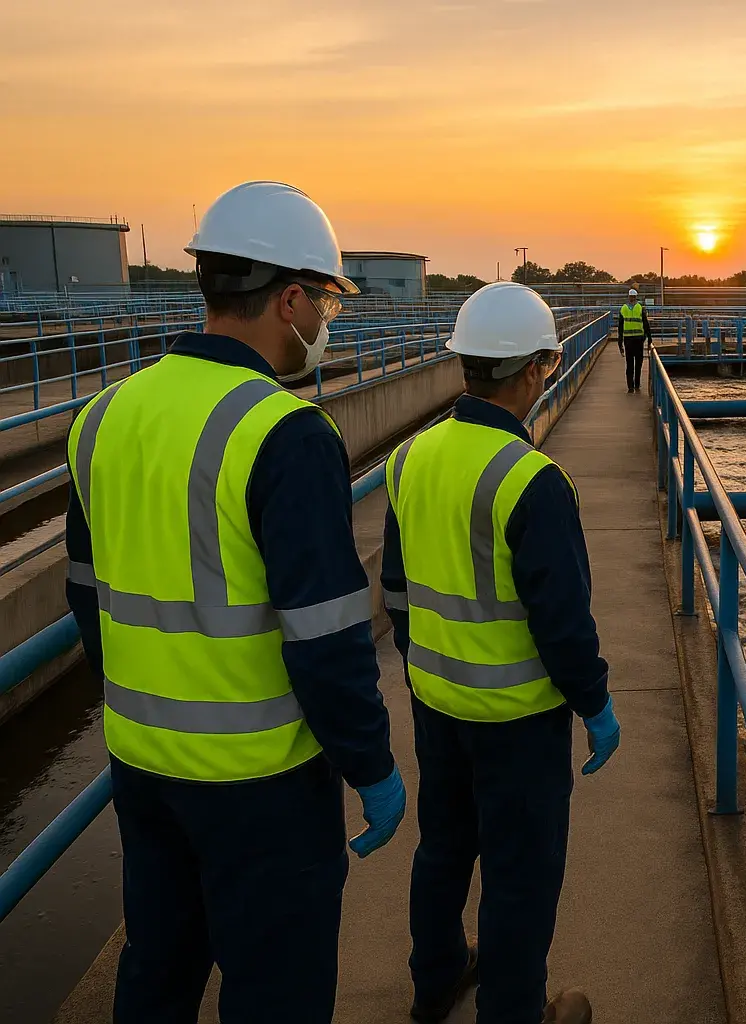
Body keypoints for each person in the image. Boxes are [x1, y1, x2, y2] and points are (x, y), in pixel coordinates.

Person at [64, 181, 405, 1024]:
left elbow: (85, 597)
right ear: (288, 299)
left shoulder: (103, 417)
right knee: (275, 995)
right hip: (264, 787)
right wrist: (371, 765)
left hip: (143, 765)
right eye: (325, 301)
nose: (326, 321)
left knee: (157, 974)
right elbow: (327, 640)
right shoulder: (285, 433)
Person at [381, 282, 620, 1023]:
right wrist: (596, 704)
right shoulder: (532, 481)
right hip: (518, 721)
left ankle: (435, 984)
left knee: (443, 850)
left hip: (436, 703)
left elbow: (395, 589)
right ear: (535, 369)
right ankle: (513, 1012)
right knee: (521, 876)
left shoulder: (409, 458)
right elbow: (563, 623)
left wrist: (424, 662)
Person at [618, 286, 650, 393]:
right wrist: (649, 338)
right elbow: (646, 324)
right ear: (636, 297)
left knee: (630, 364)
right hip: (638, 339)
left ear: (629, 297)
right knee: (638, 363)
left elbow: (620, 327)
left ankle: (631, 387)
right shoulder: (640, 308)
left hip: (629, 340)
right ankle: (636, 384)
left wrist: (620, 342)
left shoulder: (623, 308)